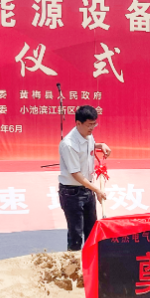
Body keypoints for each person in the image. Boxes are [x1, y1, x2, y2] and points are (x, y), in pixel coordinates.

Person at [58, 105, 110, 251]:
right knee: (76, 234)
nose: (92, 128)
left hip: (87, 189)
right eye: (89, 125)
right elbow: (76, 174)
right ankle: (73, 262)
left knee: (92, 231)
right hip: (72, 192)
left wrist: (100, 145)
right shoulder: (69, 144)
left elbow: (90, 146)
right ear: (78, 123)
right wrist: (97, 190)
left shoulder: (88, 135)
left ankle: (90, 262)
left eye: (94, 124)